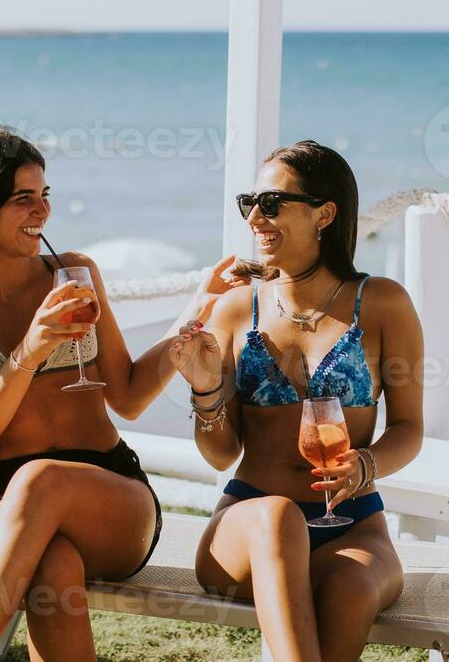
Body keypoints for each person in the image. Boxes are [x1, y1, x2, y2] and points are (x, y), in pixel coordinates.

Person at [0, 125, 240, 662]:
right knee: (51, 564)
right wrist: (28, 354)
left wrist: (197, 309)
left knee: (43, 479)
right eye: (23, 199)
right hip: (0, 496)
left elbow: (125, 394)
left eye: (45, 196)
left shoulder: (71, 273)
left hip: (108, 491)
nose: (42, 212)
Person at [169, 140, 425, 662]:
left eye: (272, 203)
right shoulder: (237, 310)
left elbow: (410, 429)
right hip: (248, 523)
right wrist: (204, 391)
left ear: (323, 213)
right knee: (280, 516)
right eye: (250, 204)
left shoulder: (382, 304)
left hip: (352, 525)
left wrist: (367, 464)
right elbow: (221, 454)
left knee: (352, 589)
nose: (255, 218)